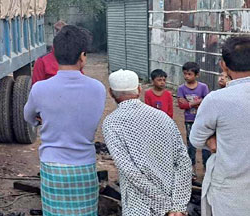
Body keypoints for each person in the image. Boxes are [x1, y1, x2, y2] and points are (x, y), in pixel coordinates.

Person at [24, 25, 106, 215]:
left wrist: (41, 119)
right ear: (83, 56)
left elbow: (28, 116)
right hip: (84, 166)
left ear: (55, 53)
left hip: (53, 167)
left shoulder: (40, 89)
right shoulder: (98, 89)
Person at [102, 69, 191, 216]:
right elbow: (183, 161)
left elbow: (130, 171)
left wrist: (165, 206)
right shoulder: (162, 117)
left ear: (111, 93)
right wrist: (177, 206)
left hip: (138, 207)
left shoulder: (111, 123)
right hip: (172, 204)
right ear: (139, 89)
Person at [190, 36, 250, 216]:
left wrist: (213, 139)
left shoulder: (217, 100)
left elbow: (196, 139)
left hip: (230, 193)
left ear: (223, 65)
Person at [177, 61, 211, 176]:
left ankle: (207, 168)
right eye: (185, 74)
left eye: (189, 74)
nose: (186, 76)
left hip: (202, 120)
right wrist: (197, 102)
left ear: (197, 75)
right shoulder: (181, 88)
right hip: (189, 120)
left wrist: (189, 103)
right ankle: (192, 169)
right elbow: (182, 105)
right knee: (191, 144)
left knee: (206, 145)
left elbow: (207, 102)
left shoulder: (203, 87)